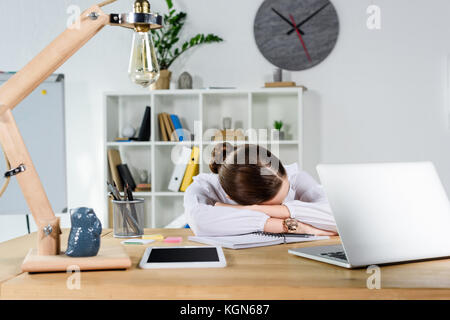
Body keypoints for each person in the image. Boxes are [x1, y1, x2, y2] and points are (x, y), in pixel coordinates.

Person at [184, 143, 337, 237]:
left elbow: (336, 216)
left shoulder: (293, 177)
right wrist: (293, 227)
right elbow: (199, 222)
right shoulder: (203, 188)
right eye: (275, 205)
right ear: (232, 197)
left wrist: (251, 209)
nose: (280, 206)